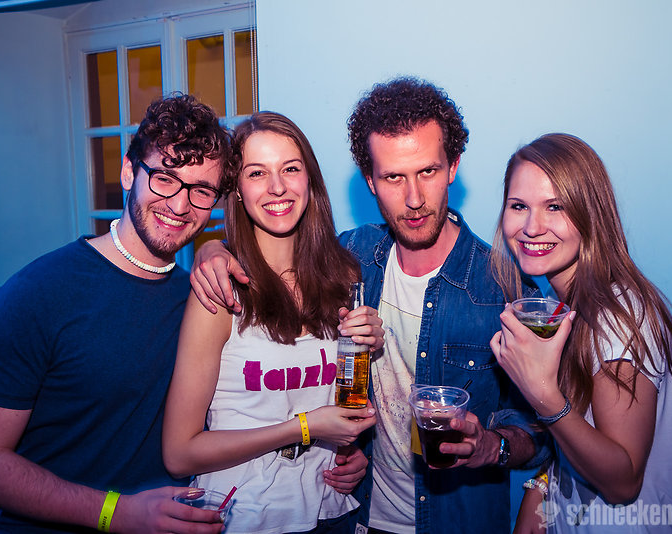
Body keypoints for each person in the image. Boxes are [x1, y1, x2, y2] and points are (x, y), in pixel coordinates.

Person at [189, 77, 550, 533]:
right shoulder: (350, 259)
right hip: (360, 518)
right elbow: (278, 252)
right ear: (370, 182)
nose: (414, 199)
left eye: (427, 172)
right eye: (393, 177)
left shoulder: (504, 286)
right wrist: (213, 249)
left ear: (453, 167)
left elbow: (542, 426)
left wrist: (492, 447)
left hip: (457, 522)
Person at [0, 94, 234, 534]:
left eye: (201, 191)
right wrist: (117, 513)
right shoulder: (36, 294)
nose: (180, 206)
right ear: (128, 172)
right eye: (165, 178)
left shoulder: (201, 297)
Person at [161, 111, 381, 534]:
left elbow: (341, 406)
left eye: (290, 169)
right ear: (237, 191)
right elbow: (179, 452)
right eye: (257, 173)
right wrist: (303, 429)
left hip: (330, 510)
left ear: (310, 180)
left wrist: (348, 452)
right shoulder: (219, 288)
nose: (277, 187)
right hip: (245, 514)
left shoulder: (343, 277)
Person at [489, 133, 672, 533]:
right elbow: (582, 428)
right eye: (519, 206)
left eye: (555, 207)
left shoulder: (619, 317)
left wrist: (539, 390)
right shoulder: (564, 305)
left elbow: (623, 481)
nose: (532, 227)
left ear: (590, 214)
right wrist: (540, 489)